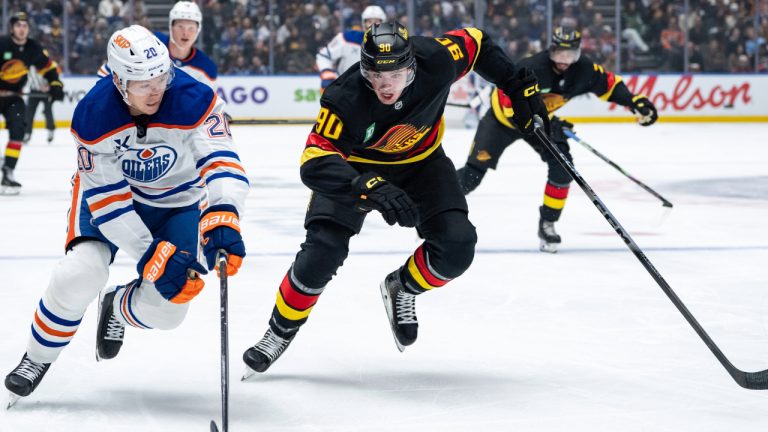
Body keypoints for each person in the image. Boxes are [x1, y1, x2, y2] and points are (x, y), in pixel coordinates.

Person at [242, 22, 548, 375]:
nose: (385, 84)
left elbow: (477, 42)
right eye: (374, 73)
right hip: (356, 170)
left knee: (457, 247)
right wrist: (365, 185)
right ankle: (278, 332)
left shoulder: (437, 58)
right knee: (323, 252)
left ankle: (402, 287)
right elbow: (313, 161)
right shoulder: (345, 97)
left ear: (412, 66)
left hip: (422, 163)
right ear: (363, 68)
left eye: (395, 73)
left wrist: (516, 85)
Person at [4, 25, 248, 404]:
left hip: (179, 203)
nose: (156, 90)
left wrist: (223, 209)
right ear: (118, 80)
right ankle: (36, 358)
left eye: (161, 77)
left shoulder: (194, 98)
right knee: (81, 273)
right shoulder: (93, 115)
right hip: (115, 200)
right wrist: (149, 252)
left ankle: (117, 306)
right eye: (141, 82)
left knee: (171, 309)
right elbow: (108, 200)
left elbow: (221, 159)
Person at [455, 26, 658, 253]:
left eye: (570, 55)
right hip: (501, 122)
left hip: (540, 122)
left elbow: (609, 85)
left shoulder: (584, 70)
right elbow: (506, 99)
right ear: (550, 50)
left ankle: (548, 223)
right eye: (559, 54)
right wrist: (538, 120)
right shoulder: (532, 67)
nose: (564, 60)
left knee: (563, 169)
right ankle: (433, 207)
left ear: (578, 54)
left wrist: (634, 101)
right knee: (472, 176)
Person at [0, 12, 64, 195]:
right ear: (12, 28)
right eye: (18, 25)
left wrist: (55, 85)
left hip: (14, 97)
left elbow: (49, 68)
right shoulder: (2, 44)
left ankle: (8, 171)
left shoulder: (33, 48)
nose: (22, 29)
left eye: (25, 26)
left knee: (18, 130)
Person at [98, 1, 217, 89]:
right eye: (180, 26)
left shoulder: (207, 67)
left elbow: (206, 105)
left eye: (191, 28)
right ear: (171, 27)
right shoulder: (149, 44)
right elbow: (105, 72)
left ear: (198, 30)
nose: (185, 33)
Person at [315, 5, 386, 91]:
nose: (373, 25)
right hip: (345, 92)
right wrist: (327, 73)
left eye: (377, 21)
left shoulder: (393, 46)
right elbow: (324, 55)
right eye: (370, 21)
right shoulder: (348, 38)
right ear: (364, 23)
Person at [23, 65, 58, 145]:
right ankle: (27, 133)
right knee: (29, 113)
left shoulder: (48, 64)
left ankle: (50, 130)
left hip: (47, 92)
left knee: (48, 111)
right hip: (33, 90)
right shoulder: (28, 64)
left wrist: (50, 87)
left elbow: (54, 77)